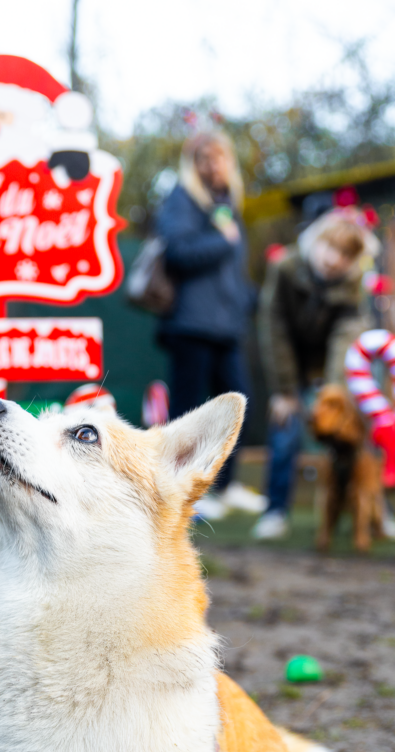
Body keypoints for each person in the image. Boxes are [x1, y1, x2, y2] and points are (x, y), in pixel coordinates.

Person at [155, 131, 264, 520]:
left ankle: (227, 485)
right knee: (188, 414)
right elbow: (178, 253)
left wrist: (246, 299)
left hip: (226, 327)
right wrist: (223, 241)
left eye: (219, 156)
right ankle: (185, 494)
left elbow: (234, 268)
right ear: (193, 163)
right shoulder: (181, 200)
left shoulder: (227, 203)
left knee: (240, 402)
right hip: (190, 324)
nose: (212, 164)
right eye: (204, 157)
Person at [253, 207, 379, 540]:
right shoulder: (285, 268)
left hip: (328, 366)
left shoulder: (354, 288)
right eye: (330, 247)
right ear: (316, 241)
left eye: (344, 254)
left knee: (352, 434)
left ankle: (375, 512)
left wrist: (334, 394)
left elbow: (345, 339)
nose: (333, 259)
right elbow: (273, 328)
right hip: (289, 360)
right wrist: (284, 390)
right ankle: (275, 510)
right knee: (285, 428)